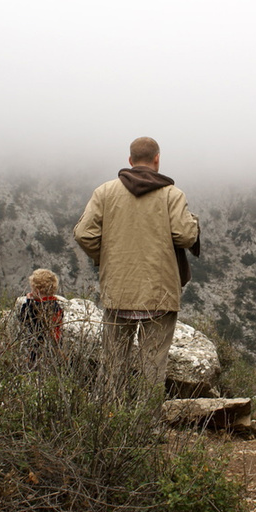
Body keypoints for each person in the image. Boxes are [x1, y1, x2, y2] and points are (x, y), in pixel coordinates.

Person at [74, 136, 199, 396]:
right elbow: (186, 236)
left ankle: (110, 421)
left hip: (118, 290)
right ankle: (148, 429)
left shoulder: (105, 192)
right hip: (159, 292)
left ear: (130, 161)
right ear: (157, 159)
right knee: (152, 366)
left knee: (113, 364)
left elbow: (84, 234)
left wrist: (106, 257)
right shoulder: (171, 194)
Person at [19, 268, 64, 364]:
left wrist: (29, 302)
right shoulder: (55, 306)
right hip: (55, 346)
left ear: (36, 290)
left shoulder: (35, 307)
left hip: (37, 347)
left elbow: (24, 318)